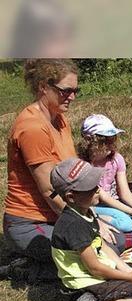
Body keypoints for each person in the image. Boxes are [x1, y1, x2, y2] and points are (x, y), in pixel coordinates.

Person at [2, 59, 122, 282]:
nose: (72, 97)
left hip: (59, 217)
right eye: (66, 91)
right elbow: (50, 191)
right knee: (93, 255)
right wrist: (89, 225)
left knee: (114, 242)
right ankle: (27, 270)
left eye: (75, 90)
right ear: (43, 87)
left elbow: (74, 176)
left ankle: (39, 260)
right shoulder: (33, 128)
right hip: (30, 223)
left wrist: (92, 222)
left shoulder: (60, 120)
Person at [50, 158, 132, 301]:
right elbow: (95, 269)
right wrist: (129, 277)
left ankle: (93, 299)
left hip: (100, 270)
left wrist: (125, 269)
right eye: (91, 188)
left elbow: (103, 246)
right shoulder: (73, 225)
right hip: (86, 281)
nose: (98, 190)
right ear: (71, 197)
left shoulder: (87, 210)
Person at [77, 114, 132, 232]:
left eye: (112, 140)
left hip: (115, 201)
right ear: (90, 142)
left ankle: (122, 218)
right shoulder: (84, 165)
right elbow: (102, 197)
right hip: (95, 206)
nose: (111, 145)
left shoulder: (116, 159)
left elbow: (124, 192)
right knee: (126, 224)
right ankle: (95, 219)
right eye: (106, 141)